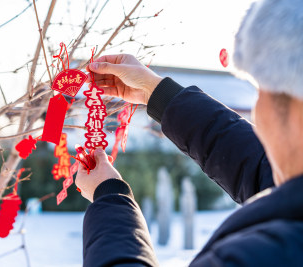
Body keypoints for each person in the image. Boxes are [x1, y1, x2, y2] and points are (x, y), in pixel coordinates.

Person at [75, 0, 303, 266]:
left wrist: (110, 198)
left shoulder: (260, 256)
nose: (257, 111)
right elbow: (255, 167)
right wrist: (156, 93)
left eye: (260, 90)